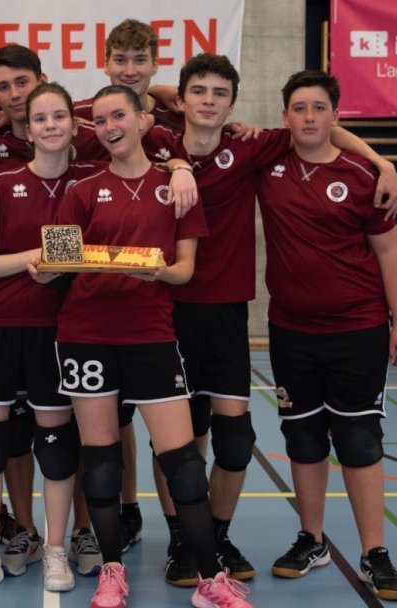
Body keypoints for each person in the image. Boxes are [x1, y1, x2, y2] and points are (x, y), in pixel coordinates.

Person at [143, 54, 397, 587]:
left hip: (231, 313)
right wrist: (172, 139)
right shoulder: (154, 144)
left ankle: (215, 533)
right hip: (165, 312)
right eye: (198, 92)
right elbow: (129, 99)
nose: (209, 101)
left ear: (234, 104)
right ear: (182, 100)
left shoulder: (251, 148)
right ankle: (181, 540)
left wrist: (385, 163)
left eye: (220, 93)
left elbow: (320, 127)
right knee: (178, 441)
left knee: (236, 440)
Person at [48, 84, 251, 608]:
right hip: (86, 333)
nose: (111, 126)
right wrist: (60, 258)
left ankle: (210, 578)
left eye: (120, 115)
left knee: (182, 460)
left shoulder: (176, 187)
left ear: (143, 120)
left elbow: (184, 271)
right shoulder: (82, 190)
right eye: (101, 120)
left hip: (152, 332)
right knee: (101, 461)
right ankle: (112, 572)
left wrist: (158, 269)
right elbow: (57, 266)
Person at [255, 69, 397, 602]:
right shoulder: (268, 164)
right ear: (285, 117)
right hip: (292, 331)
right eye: (298, 108)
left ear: (335, 116)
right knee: (302, 436)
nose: (308, 118)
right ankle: (311, 539)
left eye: (319, 108)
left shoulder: (364, 176)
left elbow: (389, 252)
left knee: (359, 439)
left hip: (359, 329)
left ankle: (374, 552)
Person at [0, 82, 95, 596]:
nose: (51, 125)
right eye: (41, 118)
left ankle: (56, 550)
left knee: (56, 446)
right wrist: (29, 259)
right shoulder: (2, 183)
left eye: (60, 115)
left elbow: (80, 259)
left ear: (73, 124)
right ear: (28, 128)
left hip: (60, 334)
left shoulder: (89, 184)